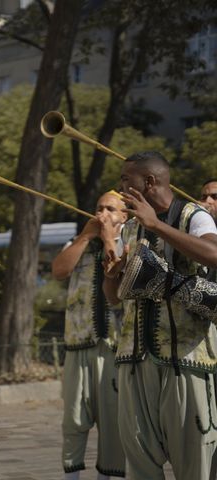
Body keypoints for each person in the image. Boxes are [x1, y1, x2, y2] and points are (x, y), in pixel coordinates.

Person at [103, 151, 217, 480]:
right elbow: (115, 298)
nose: (122, 185)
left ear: (149, 182)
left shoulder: (194, 216)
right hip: (134, 359)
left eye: (127, 179)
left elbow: (213, 253)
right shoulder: (131, 228)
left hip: (187, 358)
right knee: (139, 462)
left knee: (193, 463)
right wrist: (111, 274)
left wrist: (156, 225)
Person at [51, 191, 127, 480]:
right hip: (77, 343)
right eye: (99, 208)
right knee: (73, 419)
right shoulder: (80, 241)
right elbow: (59, 270)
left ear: (124, 216)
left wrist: (109, 239)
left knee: (113, 422)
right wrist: (85, 237)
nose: (102, 214)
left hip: (115, 348)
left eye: (110, 209)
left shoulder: (131, 242)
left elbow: (122, 279)